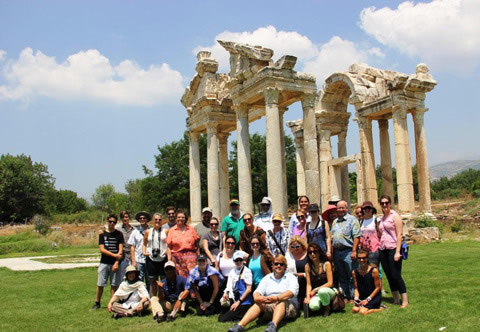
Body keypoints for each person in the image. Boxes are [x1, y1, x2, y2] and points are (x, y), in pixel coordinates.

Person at [227, 255, 299, 332]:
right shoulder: (267, 278)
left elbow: (291, 292)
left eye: (281, 264)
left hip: (288, 307)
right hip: (270, 304)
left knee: (281, 301)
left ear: (285, 266)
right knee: (258, 303)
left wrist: (277, 298)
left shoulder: (291, 277)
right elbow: (257, 291)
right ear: (272, 266)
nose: (278, 266)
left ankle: (273, 326)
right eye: (276, 264)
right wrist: (258, 298)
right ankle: (240, 326)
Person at [378, 195, 409, 308]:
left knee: (396, 275)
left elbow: (399, 234)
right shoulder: (382, 218)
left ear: (390, 203)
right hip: (383, 249)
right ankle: (395, 299)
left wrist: (397, 251)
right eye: (382, 203)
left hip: (393, 248)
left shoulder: (395, 216)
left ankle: (404, 300)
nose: (384, 205)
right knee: (389, 275)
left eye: (386, 203)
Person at [91, 214, 124, 311]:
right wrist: (114, 256)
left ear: (116, 223)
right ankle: (97, 303)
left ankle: (112, 303)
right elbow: (102, 249)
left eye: (114, 222)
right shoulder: (102, 234)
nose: (112, 223)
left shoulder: (119, 234)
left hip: (114, 263)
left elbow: (120, 250)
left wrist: (117, 262)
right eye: (110, 222)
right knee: (100, 284)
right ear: (107, 222)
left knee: (114, 285)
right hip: (104, 263)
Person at [330, 200, 362, 301]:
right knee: (342, 275)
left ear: (347, 208)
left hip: (348, 251)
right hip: (337, 251)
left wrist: (354, 251)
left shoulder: (352, 220)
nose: (340, 210)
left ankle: (353, 296)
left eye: (343, 207)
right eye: (339, 208)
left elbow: (357, 236)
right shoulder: (335, 221)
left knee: (352, 274)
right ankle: (345, 296)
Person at [218, 251, 254, 322]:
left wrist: (239, 302)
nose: (238, 262)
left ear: (243, 261)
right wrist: (225, 294)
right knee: (221, 314)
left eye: (240, 260)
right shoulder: (232, 271)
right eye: (236, 260)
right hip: (235, 299)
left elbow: (249, 289)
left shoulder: (247, 271)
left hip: (244, 302)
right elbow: (228, 286)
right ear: (233, 261)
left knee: (222, 319)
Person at [166, 209, 199, 278]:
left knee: (192, 277)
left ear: (185, 218)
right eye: (179, 217)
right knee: (180, 278)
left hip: (191, 258)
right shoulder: (172, 230)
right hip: (177, 258)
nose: (180, 219)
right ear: (176, 218)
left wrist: (198, 256)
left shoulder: (191, 229)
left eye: (182, 217)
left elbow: (196, 244)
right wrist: (169, 260)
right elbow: (169, 247)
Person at [304, 243, 335, 317]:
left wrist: (316, 290)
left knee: (322, 291)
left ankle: (327, 308)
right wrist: (308, 297)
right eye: (310, 253)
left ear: (319, 253)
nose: (312, 254)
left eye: (315, 252)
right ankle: (323, 304)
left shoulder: (326, 264)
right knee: (313, 307)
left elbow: (330, 283)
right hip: (317, 294)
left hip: (329, 291)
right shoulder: (307, 266)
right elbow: (308, 284)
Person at [143, 213, 167, 296]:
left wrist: (167, 252)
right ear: (153, 220)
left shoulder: (166, 231)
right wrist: (144, 252)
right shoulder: (148, 231)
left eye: (159, 220)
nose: (157, 221)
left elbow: (169, 244)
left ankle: (164, 299)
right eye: (156, 219)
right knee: (152, 281)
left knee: (163, 280)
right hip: (151, 259)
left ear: (162, 221)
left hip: (162, 258)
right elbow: (144, 244)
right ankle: (153, 300)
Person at [352, 249, 383, 315]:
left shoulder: (373, 271)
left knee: (362, 312)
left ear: (367, 258)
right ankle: (365, 307)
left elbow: (378, 288)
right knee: (355, 310)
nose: (361, 260)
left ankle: (380, 309)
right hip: (362, 296)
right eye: (359, 258)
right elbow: (356, 288)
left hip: (373, 297)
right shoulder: (355, 272)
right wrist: (356, 298)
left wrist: (368, 299)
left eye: (364, 258)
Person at [128, 211, 150, 285]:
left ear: (147, 219)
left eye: (144, 218)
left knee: (149, 280)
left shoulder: (151, 230)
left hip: (149, 259)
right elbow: (132, 247)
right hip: (138, 260)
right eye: (140, 218)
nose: (142, 219)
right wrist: (133, 261)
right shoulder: (135, 232)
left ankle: (149, 296)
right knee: (139, 280)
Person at [285, 236, 308, 304]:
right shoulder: (288, 255)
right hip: (294, 282)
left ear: (302, 245)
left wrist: (303, 274)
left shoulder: (307, 253)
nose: (295, 248)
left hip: (307, 280)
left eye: (297, 246)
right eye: (292, 247)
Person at [118, 211, 134, 279]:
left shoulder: (134, 230)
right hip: (123, 255)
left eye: (126, 217)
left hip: (132, 255)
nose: (125, 219)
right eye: (123, 217)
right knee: (122, 277)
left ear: (129, 218)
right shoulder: (118, 229)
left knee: (133, 275)